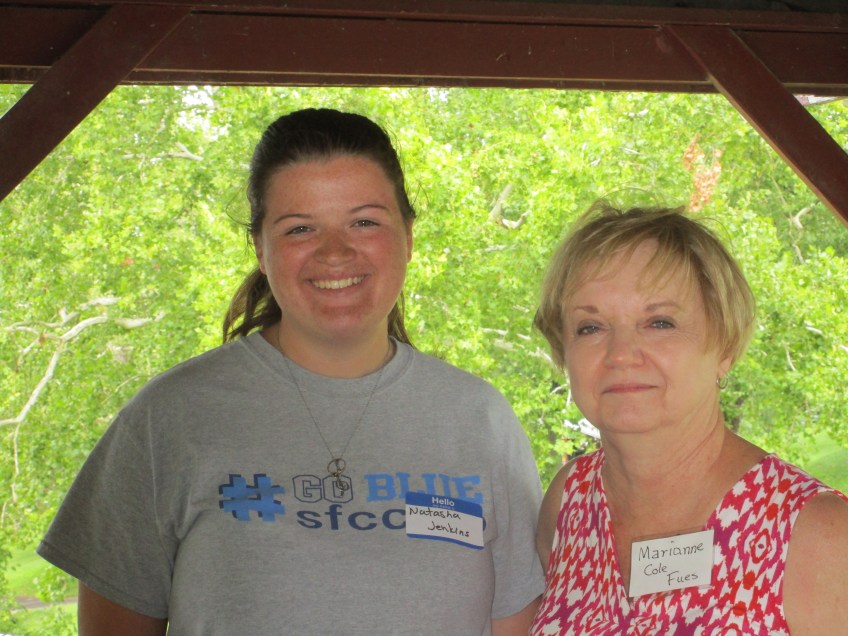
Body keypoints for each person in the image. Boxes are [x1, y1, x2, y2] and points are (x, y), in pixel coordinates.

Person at [38, 108, 544, 635]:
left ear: (408, 237)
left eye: (364, 222)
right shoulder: (170, 417)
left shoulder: (480, 420)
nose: (335, 252)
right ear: (260, 249)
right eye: (301, 228)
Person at [530, 202, 848, 635]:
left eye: (659, 322)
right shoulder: (569, 504)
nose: (621, 354)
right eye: (591, 327)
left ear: (725, 346)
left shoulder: (819, 536)